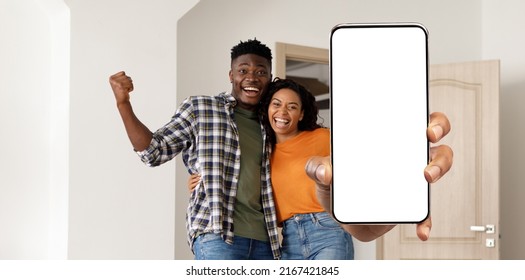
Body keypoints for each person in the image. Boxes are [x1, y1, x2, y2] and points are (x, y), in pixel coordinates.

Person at [109, 39, 281, 260]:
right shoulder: (200, 108)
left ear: (269, 78)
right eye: (243, 70)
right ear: (231, 75)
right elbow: (153, 151)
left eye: (261, 72)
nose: (252, 78)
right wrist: (124, 104)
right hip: (217, 236)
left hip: (266, 242)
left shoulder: (273, 123)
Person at [304, 112, 453, 241]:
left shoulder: (320, 135)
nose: (282, 111)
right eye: (278, 104)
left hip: (326, 225)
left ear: (302, 113)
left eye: (292, 106)